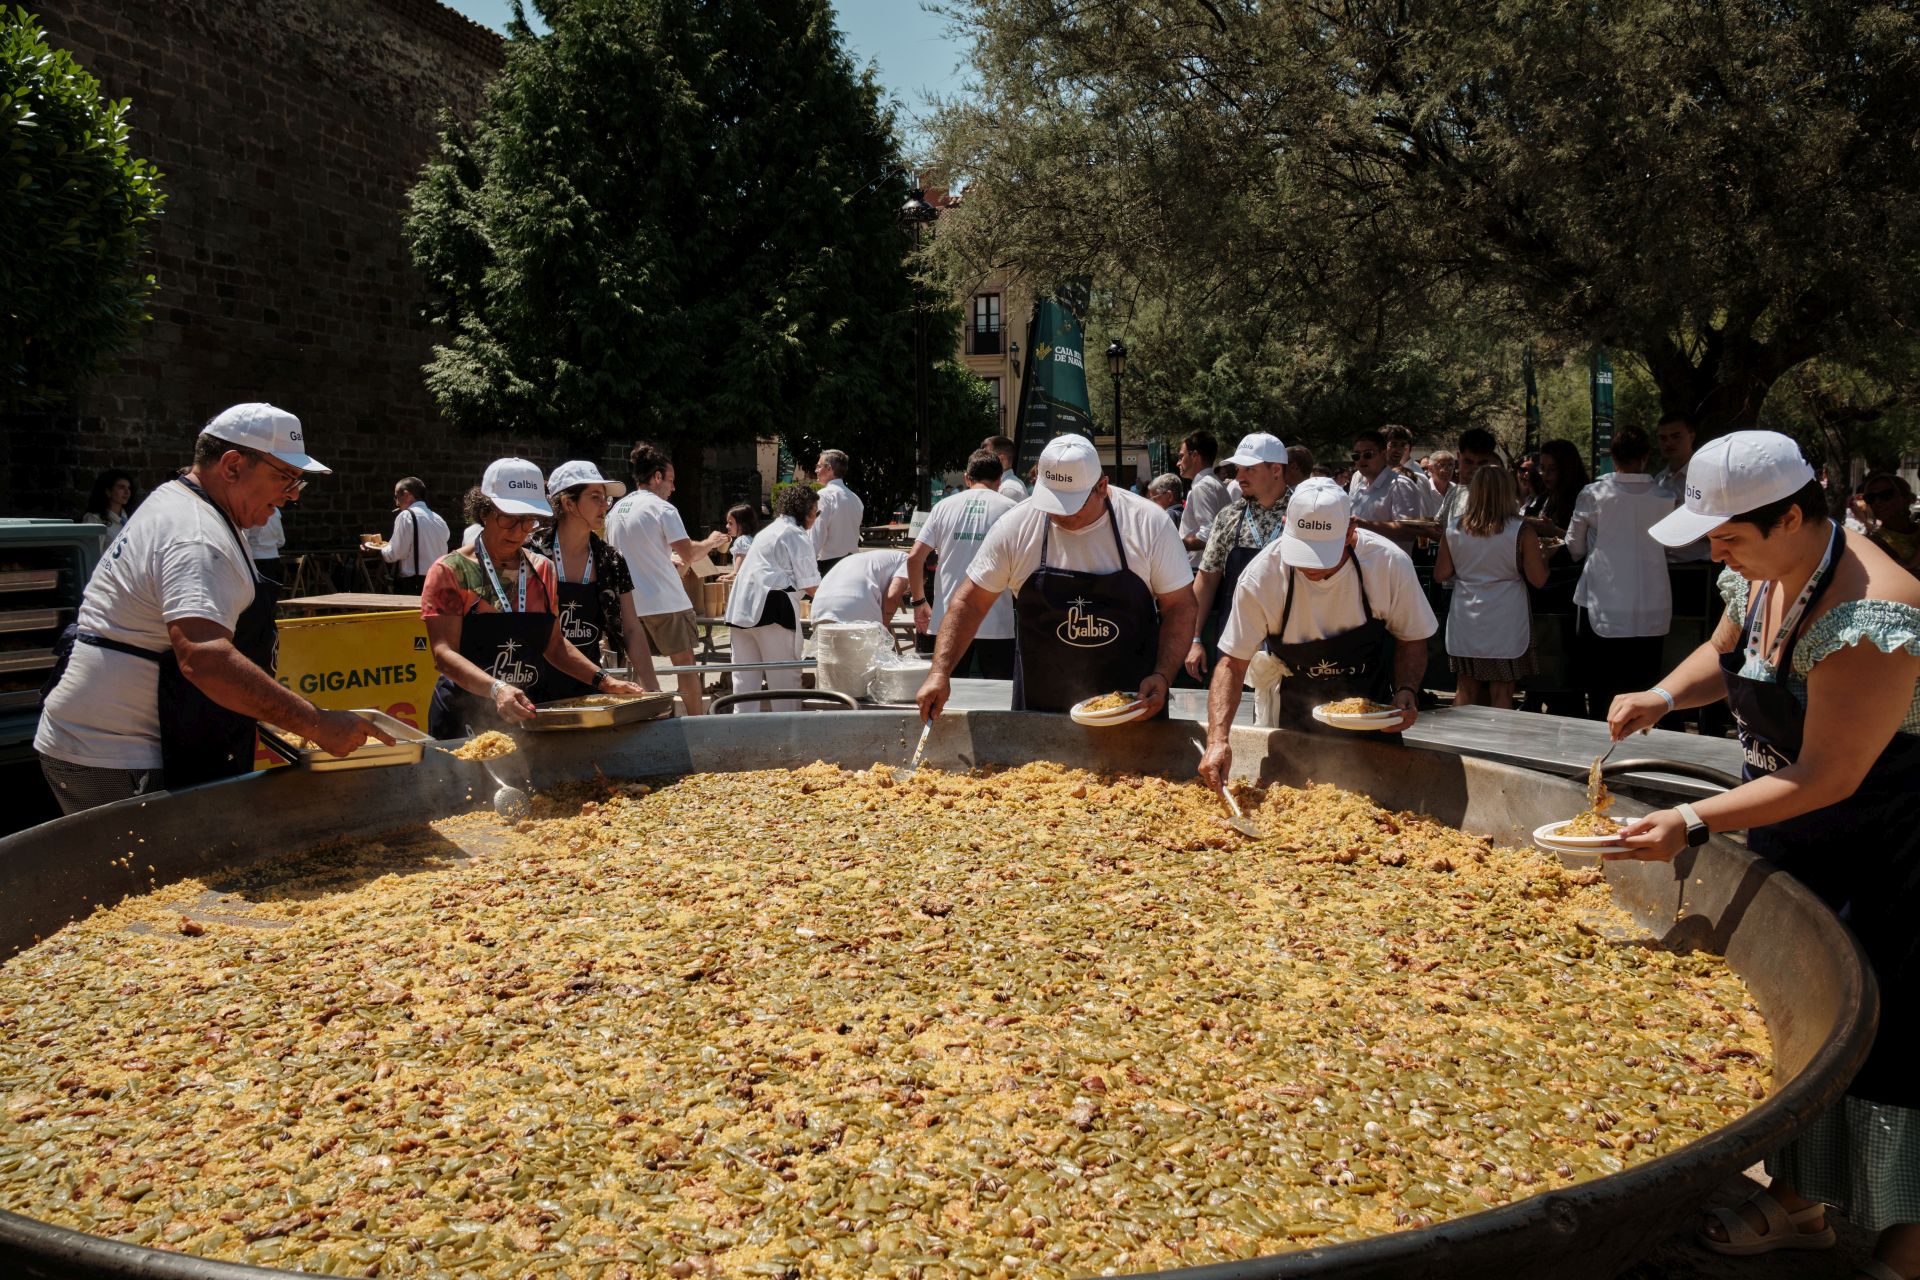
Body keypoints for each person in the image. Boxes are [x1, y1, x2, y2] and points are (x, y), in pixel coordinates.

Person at [1604, 431, 1920, 1280]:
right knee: (1810, 1028)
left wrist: (1693, 820)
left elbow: (1831, 773)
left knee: (1893, 1039)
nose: (1717, 552)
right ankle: (1801, 1201)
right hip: (1795, 831)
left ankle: (1903, 1241)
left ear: (1792, 516)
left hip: (1889, 852)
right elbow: (1727, 653)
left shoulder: (1872, 614)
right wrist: (1664, 695)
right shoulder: (1761, 570)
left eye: (1730, 536)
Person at [37, 404, 388, 813]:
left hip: (110, 741)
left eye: (298, 482)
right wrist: (317, 723)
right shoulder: (197, 535)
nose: (292, 494)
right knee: (153, 874)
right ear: (233, 465)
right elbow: (204, 659)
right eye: (285, 477)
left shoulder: (187, 504)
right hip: (117, 756)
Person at [916, 433, 1195, 717]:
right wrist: (940, 672)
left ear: (1101, 487)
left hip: (1133, 708)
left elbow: (1181, 606)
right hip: (1040, 712)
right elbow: (970, 602)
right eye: (1051, 501)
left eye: (1070, 506)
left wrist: (1162, 675)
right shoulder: (1015, 527)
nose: (1057, 514)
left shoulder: (1148, 524)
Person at [1196, 479, 1437, 780]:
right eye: (1301, 551)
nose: (1311, 567)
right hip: (1294, 714)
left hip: (1371, 716)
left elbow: (1412, 639)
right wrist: (1218, 740)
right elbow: (1232, 663)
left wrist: (1406, 690)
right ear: (1286, 524)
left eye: (1323, 554)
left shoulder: (1388, 565)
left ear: (1350, 531)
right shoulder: (1262, 578)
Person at [423, 460, 646, 739]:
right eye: (509, 518)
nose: (519, 531)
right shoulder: (450, 571)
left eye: (528, 520)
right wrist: (497, 688)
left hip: (525, 711)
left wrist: (604, 680)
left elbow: (554, 645)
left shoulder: (542, 569)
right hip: (462, 717)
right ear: (483, 512)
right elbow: (443, 654)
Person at [604, 442, 727, 715]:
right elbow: (689, 553)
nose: (673, 488)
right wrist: (711, 541)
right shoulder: (662, 508)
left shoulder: (615, 512)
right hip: (666, 601)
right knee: (685, 666)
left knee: (639, 669)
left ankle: (648, 719)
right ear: (657, 476)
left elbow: (624, 555)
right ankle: (697, 722)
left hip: (631, 605)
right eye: (670, 480)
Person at [1565, 426, 1678, 719]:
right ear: (1647, 456)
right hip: (1651, 604)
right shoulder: (1665, 497)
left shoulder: (1594, 494)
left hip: (1603, 603)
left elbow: (1574, 546)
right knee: (1644, 687)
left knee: (1601, 689)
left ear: (1613, 457)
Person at [525, 460, 651, 698]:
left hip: (590, 687)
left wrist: (654, 690)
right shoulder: (531, 554)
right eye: (595, 497)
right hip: (532, 688)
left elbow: (632, 628)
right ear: (568, 503)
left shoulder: (611, 560)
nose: (605, 505)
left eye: (606, 498)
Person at [1436, 466, 1549, 709]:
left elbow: (1440, 574)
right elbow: (1539, 579)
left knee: (1465, 688)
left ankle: (1457, 745)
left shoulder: (1454, 528)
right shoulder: (1521, 530)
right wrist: (1545, 557)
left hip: (1467, 614)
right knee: (1503, 691)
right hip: (1506, 615)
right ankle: (1499, 744)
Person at [1185, 432, 1292, 684]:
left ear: (1276, 470)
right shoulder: (1228, 517)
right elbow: (1207, 579)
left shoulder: (1303, 513)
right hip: (1236, 648)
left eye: (1249, 469)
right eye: (1238, 469)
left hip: (1290, 648)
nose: (1239, 477)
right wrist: (1195, 638)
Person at [907, 450, 1018, 680]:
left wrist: (919, 602)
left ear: (967, 478)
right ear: (999, 480)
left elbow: (914, 558)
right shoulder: (1011, 509)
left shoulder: (943, 507)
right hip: (996, 620)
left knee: (950, 693)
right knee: (1000, 698)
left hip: (950, 620)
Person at [722, 484, 820, 712]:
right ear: (805, 511)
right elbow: (812, 585)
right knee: (785, 682)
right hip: (772, 610)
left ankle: (741, 740)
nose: (815, 518)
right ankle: (790, 739)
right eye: (815, 512)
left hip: (740, 610)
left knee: (744, 687)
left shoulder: (767, 532)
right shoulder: (795, 534)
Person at [364, 476, 451, 596]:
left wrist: (377, 550)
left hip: (414, 584)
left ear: (406, 494)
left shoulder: (406, 516)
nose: (396, 502)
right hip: (439, 583)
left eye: (396, 497)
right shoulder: (439, 519)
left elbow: (397, 553)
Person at [1348, 428, 1428, 547]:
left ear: (1383, 454)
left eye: (1368, 454)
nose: (1361, 459)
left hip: (1389, 564)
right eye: (1356, 456)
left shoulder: (1400, 485)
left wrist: (1361, 524)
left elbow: (1407, 533)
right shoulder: (1358, 488)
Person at [811, 549, 909, 626]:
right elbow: (892, 596)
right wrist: (884, 626)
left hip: (819, 609)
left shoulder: (874, 559)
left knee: (831, 651)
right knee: (864, 651)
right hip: (854, 611)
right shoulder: (907, 560)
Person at [1176, 430, 1229, 568]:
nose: (1178, 463)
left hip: (1199, 568)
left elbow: (1207, 535)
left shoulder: (1203, 486)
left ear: (1194, 455)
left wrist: (1174, 543)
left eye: (1181, 456)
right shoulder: (1213, 484)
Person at [810, 449, 864, 575]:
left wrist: (806, 566)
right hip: (853, 563)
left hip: (829, 566)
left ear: (829, 468)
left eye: (818, 466)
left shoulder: (824, 496)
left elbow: (816, 535)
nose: (816, 470)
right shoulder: (855, 498)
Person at [1526, 439, 1587, 538]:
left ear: (1566, 470)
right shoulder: (1545, 496)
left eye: (1552, 469)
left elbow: (1583, 543)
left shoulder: (1583, 499)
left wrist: (1555, 532)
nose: (1546, 474)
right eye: (1542, 468)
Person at [1859, 473, 1920, 573]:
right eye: (1870, 498)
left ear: (1907, 498)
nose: (1877, 502)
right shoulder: (1873, 542)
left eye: (1886, 495)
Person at [80, 469, 139, 543]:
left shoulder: (130, 517)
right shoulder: (95, 519)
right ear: (108, 491)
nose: (127, 492)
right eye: (121, 487)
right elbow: (93, 551)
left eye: (129, 488)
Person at [244, 503, 286, 584]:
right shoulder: (275, 511)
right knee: (273, 593)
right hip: (274, 560)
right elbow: (281, 541)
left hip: (256, 560)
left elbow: (243, 539)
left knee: (258, 594)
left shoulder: (250, 510)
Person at [983, 434, 1029, 502]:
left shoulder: (1007, 488)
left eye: (987, 456)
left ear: (1001, 458)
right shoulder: (1006, 485)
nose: (982, 460)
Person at [724, 503, 759, 572]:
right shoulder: (751, 539)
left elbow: (741, 555)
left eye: (730, 523)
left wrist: (734, 573)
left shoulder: (741, 540)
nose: (727, 526)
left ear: (742, 524)